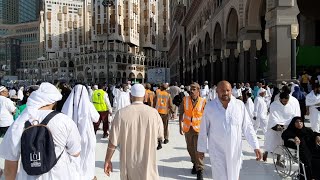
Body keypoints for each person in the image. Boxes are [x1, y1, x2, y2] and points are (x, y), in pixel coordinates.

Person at [0, 82, 81, 180]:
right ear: (53, 101)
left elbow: (10, 165)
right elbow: (75, 152)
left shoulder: (18, 123)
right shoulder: (64, 120)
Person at [197, 80, 261, 180]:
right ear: (217, 91)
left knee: (234, 177)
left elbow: (247, 127)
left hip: (234, 150)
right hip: (217, 150)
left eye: (228, 90)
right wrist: (201, 148)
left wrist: (255, 146)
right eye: (222, 90)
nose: (225, 93)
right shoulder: (210, 107)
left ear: (231, 91)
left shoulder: (239, 105)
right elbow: (204, 129)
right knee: (220, 177)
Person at [104, 84, 164, 180]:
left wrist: (107, 160)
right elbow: (160, 135)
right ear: (144, 96)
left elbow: (112, 142)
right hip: (147, 167)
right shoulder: (154, 113)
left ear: (130, 96)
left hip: (129, 167)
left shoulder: (121, 114)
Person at [62, 84, 100, 180]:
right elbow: (96, 118)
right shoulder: (88, 105)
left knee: (74, 159)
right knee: (88, 157)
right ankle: (88, 176)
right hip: (87, 136)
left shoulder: (67, 104)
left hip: (72, 138)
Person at [179, 83, 206, 180]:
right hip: (188, 129)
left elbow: (207, 116)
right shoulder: (185, 99)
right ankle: (194, 163)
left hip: (199, 130)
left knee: (198, 150)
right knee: (190, 149)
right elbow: (181, 112)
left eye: (194, 89)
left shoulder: (203, 101)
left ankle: (200, 170)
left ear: (198, 90)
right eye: (191, 89)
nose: (192, 91)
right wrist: (179, 126)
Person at [263, 92, 301, 161]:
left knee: (281, 143)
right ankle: (265, 152)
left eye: (287, 101)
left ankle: (278, 159)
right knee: (271, 142)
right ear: (280, 99)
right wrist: (277, 125)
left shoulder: (291, 105)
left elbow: (292, 116)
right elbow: (273, 117)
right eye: (284, 101)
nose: (285, 103)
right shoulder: (274, 105)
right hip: (275, 127)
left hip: (286, 127)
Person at [154, 83, 173, 149]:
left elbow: (154, 102)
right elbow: (170, 104)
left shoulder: (157, 94)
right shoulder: (168, 95)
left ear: (161, 87)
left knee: (158, 127)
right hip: (165, 113)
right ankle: (166, 138)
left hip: (158, 113)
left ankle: (159, 140)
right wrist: (173, 112)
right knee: (165, 126)